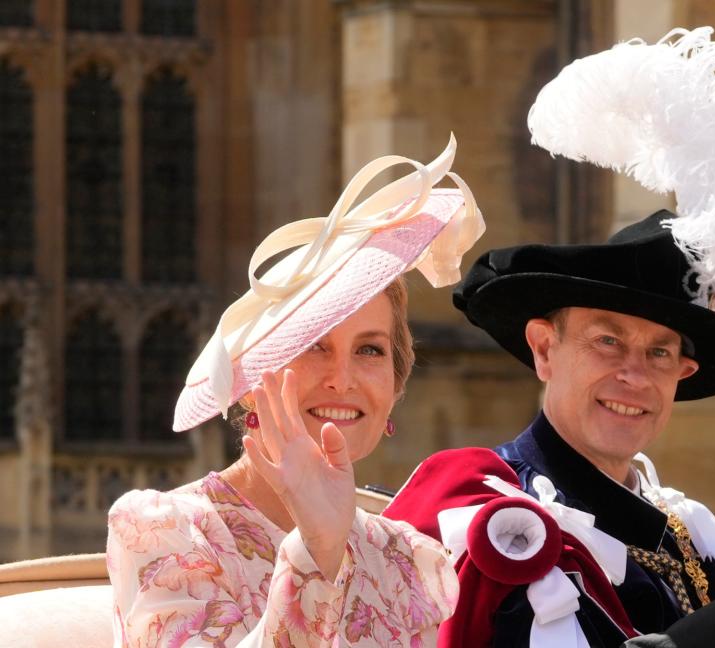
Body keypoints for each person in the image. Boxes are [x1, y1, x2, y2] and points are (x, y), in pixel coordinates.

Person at [383, 29, 715, 647]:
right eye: (607, 342)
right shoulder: (477, 504)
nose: (634, 375)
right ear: (545, 349)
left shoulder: (684, 546)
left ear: (682, 373)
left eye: (659, 352)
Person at [106, 136, 484, 647]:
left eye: (370, 351)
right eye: (314, 346)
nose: (343, 379)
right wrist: (317, 548)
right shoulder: (166, 531)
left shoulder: (413, 560)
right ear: (249, 384)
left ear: (396, 385)